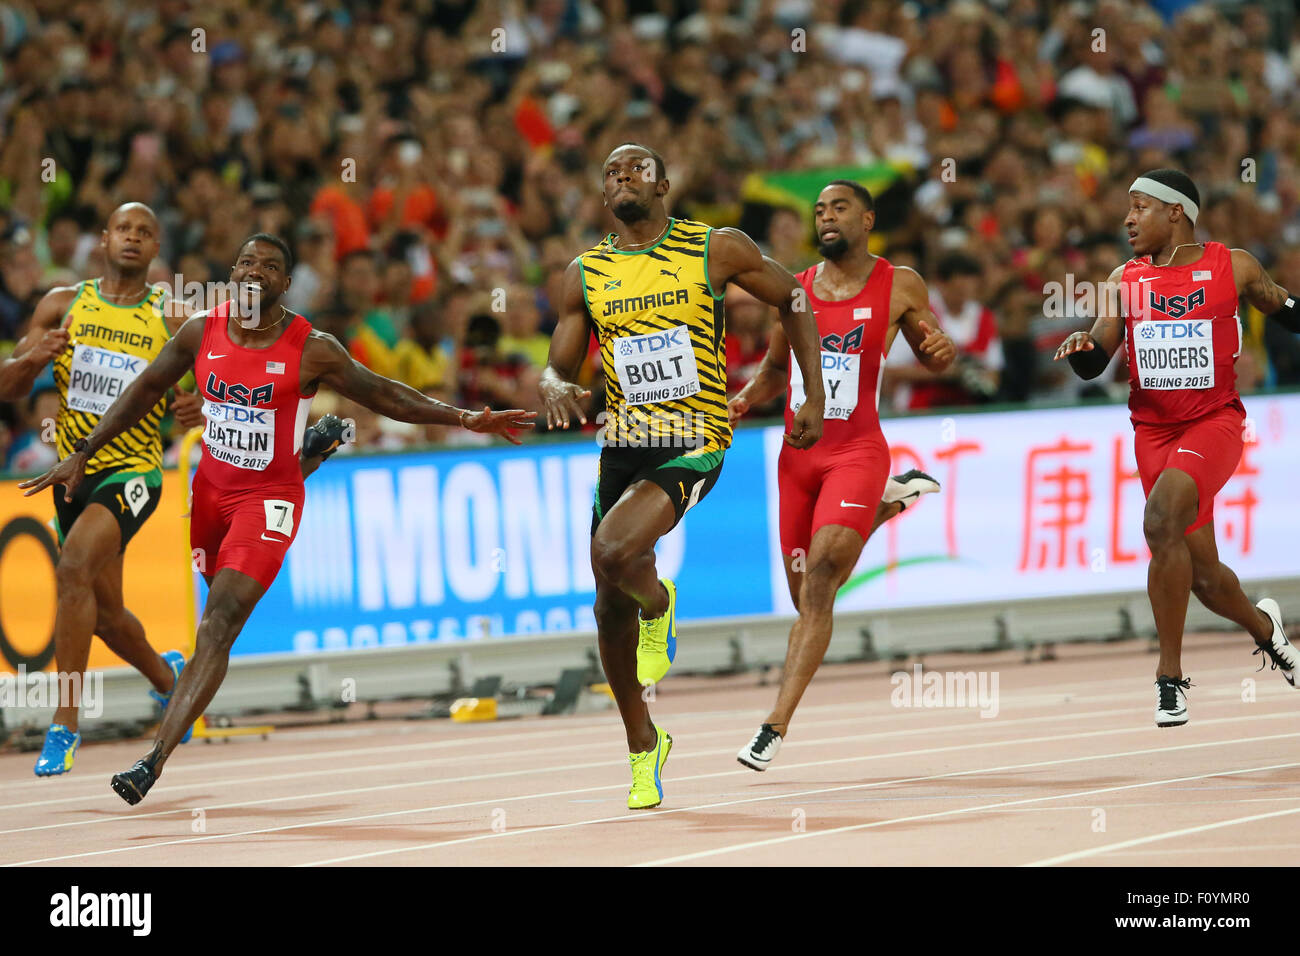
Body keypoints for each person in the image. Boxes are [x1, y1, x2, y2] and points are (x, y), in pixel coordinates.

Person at [22, 233, 534, 803]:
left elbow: (384, 394)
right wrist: (85, 451)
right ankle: (308, 453)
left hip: (268, 502)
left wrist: (464, 416)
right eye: (244, 261)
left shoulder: (312, 347)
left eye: (268, 266)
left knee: (219, 623)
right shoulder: (201, 330)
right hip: (211, 494)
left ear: (284, 284)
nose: (253, 271)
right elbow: (145, 390)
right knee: (215, 606)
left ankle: (154, 760)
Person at [539, 143, 827, 809]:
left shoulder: (713, 247)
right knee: (607, 604)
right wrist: (556, 386)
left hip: (694, 437)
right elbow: (560, 360)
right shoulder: (585, 272)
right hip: (624, 443)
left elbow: (794, 298)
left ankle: (660, 606)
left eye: (634, 168)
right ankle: (645, 747)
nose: (620, 178)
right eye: (609, 171)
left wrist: (807, 393)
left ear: (664, 182)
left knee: (614, 551)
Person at [1056, 168, 1299, 727]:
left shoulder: (1231, 265)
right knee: (1205, 574)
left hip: (1213, 423)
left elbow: (1285, 309)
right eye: (1127, 209)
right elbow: (1097, 360)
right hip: (1153, 432)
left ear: (1176, 212)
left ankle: (1170, 677)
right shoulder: (1125, 277)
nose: (1127, 219)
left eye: (1139, 207)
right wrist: (1081, 350)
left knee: (1160, 519)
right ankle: (1267, 630)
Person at [729, 181, 955, 769]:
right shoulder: (795, 290)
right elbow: (777, 369)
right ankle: (886, 506)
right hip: (797, 460)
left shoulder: (899, 282)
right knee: (806, 596)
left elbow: (930, 343)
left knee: (825, 574)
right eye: (820, 210)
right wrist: (743, 398)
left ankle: (773, 726)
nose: (826, 217)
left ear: (868, 219)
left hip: (856, 452)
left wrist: (938, 351)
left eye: (839, 208)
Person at [0, 203, 206, 776]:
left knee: (70, 571)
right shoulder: (62, 304)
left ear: (156, 247)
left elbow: (226, 385)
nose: (133, 239)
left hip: (133, 471)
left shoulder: (175, 320)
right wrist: (31, 359)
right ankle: (169, 681)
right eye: (124, 229)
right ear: (104, 239)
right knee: (106, 615)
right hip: (72, 474)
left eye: (145, 231)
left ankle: (64, 725)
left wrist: (199, 407)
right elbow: (8, 384)